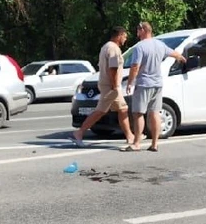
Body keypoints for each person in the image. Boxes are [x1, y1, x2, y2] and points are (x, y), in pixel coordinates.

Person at [125, 22, 186, 152]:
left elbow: (135, 66)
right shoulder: (159, 44)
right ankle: (155, 143)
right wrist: (181, 58)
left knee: (138, 113)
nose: (137, 33)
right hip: (157, 84)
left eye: (138, 30)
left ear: (143, 30)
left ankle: (136, 143)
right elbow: (174, 53)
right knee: (155, 113)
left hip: (143, 84)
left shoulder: (140, 47)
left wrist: (130, 82)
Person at [70, 26, 134, 148]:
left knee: (123, 109)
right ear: (119, 35)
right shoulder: (114, 49)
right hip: (111, 86)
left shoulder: (105, 47)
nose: (125, 40)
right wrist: (115, 85)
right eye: (124, 37)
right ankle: (79, 132)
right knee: (100, 111)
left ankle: (130, 135)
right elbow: (113, 68)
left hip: (107, 84)